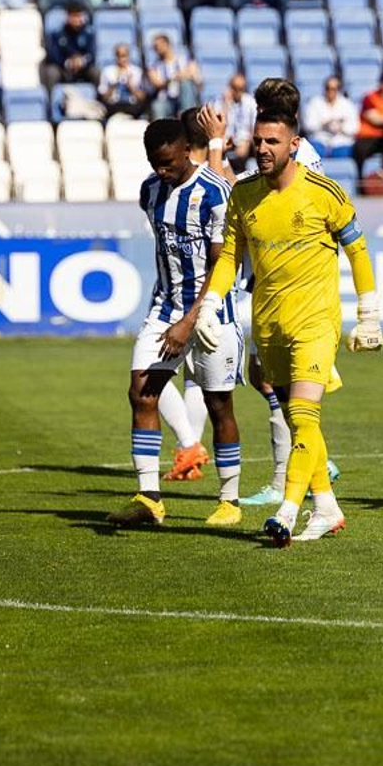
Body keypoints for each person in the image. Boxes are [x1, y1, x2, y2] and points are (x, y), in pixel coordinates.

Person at [193, 105, 383, 545]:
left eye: (272, 142)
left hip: (316, 322)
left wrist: (368, 312)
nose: (262, 148)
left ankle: (287, 511)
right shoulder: (243, 195)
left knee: (302, 413)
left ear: (294, 145)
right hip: (269, 324)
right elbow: (228, 259)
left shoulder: (324, 192)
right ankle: (327, 507)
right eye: (258, 141)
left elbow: (357, 250)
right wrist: (210, 304)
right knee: (302, 426)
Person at [109, 117, 247, 530]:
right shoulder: (150, 191)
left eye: (167, 163)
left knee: (218, 403)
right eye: (155, 163)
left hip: (210, 313)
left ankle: (229, 499)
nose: (161, 171)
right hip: (164, 307)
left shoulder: (214, 194)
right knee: (141, 391)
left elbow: (225, 261)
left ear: (188, 150)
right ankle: (149, 498)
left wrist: (190, 321)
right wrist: (174, 314)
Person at [145, 32, 199, 118]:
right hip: (166, 99)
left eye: (158, 46)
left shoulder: (184, 59)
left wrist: (180, 77)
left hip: (183, 96)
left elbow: (194, 74)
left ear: (167, 44)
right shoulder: (154, 66)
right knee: (157, 106)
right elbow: (157, 83)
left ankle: (186, 116)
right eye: (155, 47)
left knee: (186, 84)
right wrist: (175, 77)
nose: (156, 49)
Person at [42, 2, 94, 89]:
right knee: (51, 72)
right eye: (74, 16)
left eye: (79, 16)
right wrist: (69, 63)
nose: (77, 20)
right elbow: (53, 56)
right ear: (68, 17)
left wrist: (82, 61)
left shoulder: (88, 34)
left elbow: (92, 55)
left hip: (82, 69)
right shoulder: (57, 34)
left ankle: (98, 100)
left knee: (96, 72)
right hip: (63, 68)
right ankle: (49, 100)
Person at [302, 75, 357, 151]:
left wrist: (341, 127)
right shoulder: (314, 103)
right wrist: (324, 124)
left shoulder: (347, 104)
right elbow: (308, 125)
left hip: (341, 142)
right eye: (327, 88)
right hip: (320, 140)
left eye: (334, 89)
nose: (330, 91)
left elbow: (354, 128)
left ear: (338, 89)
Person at [97, 43, 148, 117]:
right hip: (114, 106)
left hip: (132, 106)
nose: (122, 59)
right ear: (115, 56)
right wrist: (114, 84)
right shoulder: (107, 71)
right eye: (119, 56)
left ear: (128, 56)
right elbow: (103, 97)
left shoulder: (137, 71)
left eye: (124, 55)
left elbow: (142, 97)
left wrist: (130, 87)